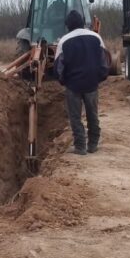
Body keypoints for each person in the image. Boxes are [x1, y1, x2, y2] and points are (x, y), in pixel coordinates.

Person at [55, 10, 109, 155]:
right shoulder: (96, 37)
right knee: (92, 115)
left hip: (73, 86)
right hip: (92, 84)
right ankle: (93, 144)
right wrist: (99, 78)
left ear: (68, 25)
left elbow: (59, 67)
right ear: (82, 22)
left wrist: (63, 81)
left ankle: (80, 147)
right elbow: (104, 61)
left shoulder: (64, 41)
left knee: (75, 117)